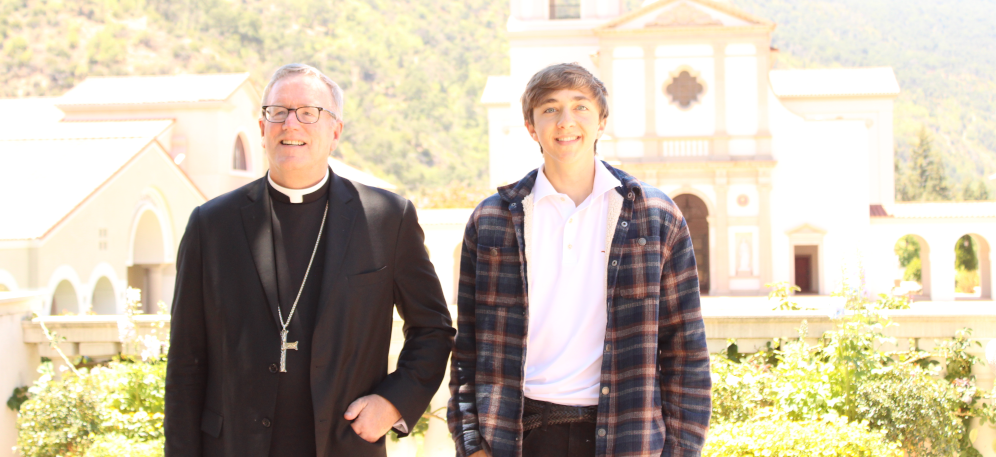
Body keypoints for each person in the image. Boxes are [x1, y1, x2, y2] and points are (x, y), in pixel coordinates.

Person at [165, 63, 454, 457]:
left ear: (335, 131)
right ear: (262, 127)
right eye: (277, 112)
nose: (291, 124)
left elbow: (433, 328)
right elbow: (186, 359)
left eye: (308, 113)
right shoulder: (211, 224)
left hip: (344, 443)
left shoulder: (387, 218)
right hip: (234, 446)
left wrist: (392, 403)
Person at [448, 63, 711, 457]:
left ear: (602, 121)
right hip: (515, 437)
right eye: (550, 109)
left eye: (580, 107)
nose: (565, 121)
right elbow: (467, 346)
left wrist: (681, 451)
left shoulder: (655, 216)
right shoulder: (492, 221)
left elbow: (685, 349)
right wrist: (472, 444)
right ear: (531, 128)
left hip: (625, 437)